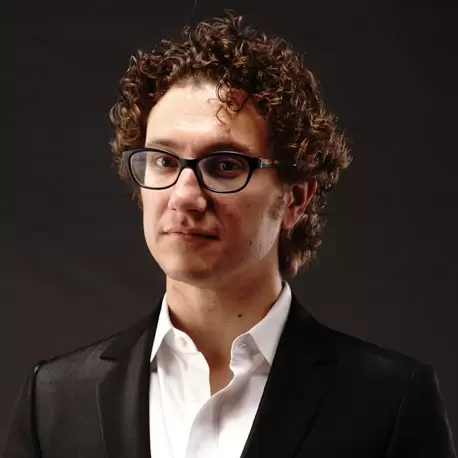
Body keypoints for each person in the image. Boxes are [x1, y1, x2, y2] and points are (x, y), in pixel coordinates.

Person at [3, 11, 456, 458]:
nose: (184, 196)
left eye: (224, 165)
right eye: (163, 161)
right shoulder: (54, 400)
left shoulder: (390, 404)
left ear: (295, 199)